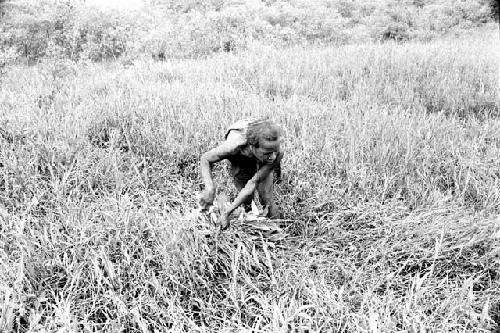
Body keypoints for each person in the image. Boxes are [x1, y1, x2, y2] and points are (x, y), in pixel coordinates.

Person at [198, 118, 283, 230]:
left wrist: (227, 213)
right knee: (247, 200)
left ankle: (278, 232)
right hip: (240, 156)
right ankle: (250, 219)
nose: (272, 156)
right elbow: (205, 159)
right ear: (252, 147)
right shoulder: (234, 148)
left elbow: (253, 183)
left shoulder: (275, 153)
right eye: (267, 153)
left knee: (267, 199)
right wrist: (210, 189)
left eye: (274, 151)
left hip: (256, 147)